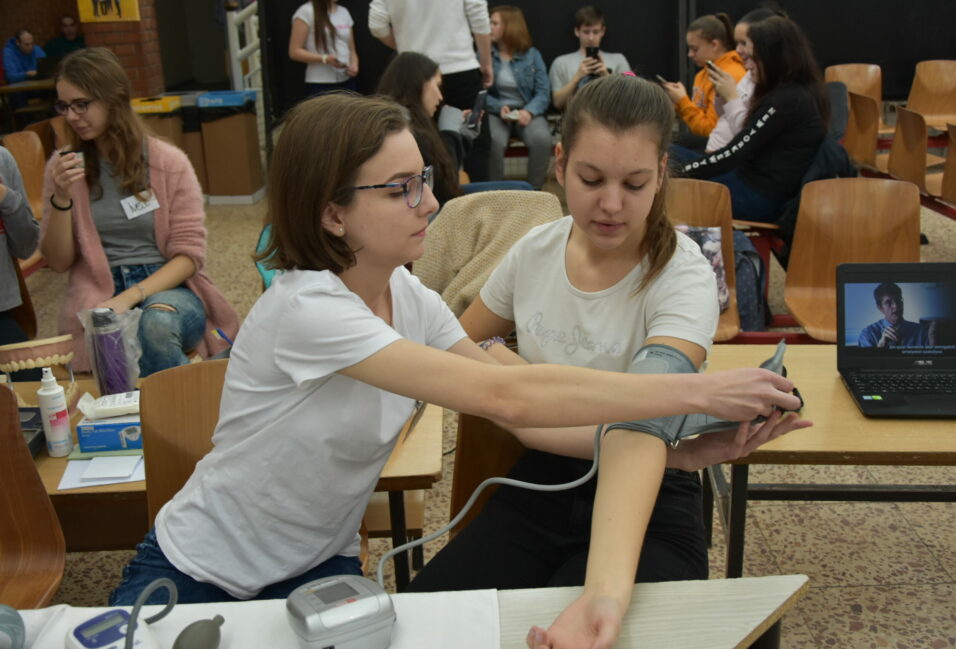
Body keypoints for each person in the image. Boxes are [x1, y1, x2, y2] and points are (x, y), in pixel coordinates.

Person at [107, 91, 801, 610]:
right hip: (201, 572)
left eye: (425, 181)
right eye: (402, 189)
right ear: (332, 212)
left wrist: (681, 452)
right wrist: (699, 391)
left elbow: (523, 407)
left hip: (316, 568)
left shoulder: (409, 299)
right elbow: (508, 394)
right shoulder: (307, 310)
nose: (431, 205)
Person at [405, 76, 811, 649]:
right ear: (561, 163)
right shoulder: (535, 251)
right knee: (421, 623)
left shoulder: (683, 275)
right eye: (591, 180)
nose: (612, 204)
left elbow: (640, 426)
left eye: (635, 183)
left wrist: (604, 594)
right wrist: (502, 370)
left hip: (652, 498)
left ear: (662, 173)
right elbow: (457, 354)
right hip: (541, 486)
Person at [40, 48, 238, 378]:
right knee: (109, 339)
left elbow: (189, 256)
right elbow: (58, 262)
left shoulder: (167, 162)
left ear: (114, 99)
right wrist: (61, 198)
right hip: (97, 290)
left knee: (155, 327)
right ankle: (149, 407)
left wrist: (130, 297)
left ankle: (184, 408)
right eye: (64, 106)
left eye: (81, 104)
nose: (72, 116)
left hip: (168, 287)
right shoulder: (64, 167)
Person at [680, 16, 828, 223]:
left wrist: (682, 173)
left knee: (674, 186)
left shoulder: (788, 100)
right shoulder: (788, 92)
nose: (746, 65)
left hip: (760, 197)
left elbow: (735, 151)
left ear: (773, 59)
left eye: (752, 58)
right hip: (748, 181)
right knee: (672, 156)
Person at [377, 51, 531, 210]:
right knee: (523, 192)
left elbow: (446, 176)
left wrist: (463, 137)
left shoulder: (404, 120)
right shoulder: (406, 131)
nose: (440, 97)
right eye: (437, 86)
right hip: (434, 209)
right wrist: (450, 134)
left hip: (437, 201)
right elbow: (446, 190)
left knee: (523, 189)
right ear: (419, 84)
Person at [369, 0, 494, 183]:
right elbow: (478, 13)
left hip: (412, 73)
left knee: (416, 141)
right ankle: (475, 200)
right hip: (459, 66)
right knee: (475, 141)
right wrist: (486, 62)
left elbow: (377, 25)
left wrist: (407, 46)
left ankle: (431, 195)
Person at [486, 6, 552, 190]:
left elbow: (543, 92)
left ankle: (533, 192)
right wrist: (498, 107)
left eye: (494, 23)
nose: (489, 27)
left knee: (542, 139)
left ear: (509, 27)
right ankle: (493, 194)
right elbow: (479, 93)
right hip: (497, 111)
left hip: (527, 109)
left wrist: (529, 112)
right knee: (493, 140)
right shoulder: (485, 55)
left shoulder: (532, 55)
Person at [703, 7, 781, 153]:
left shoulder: (774, 86)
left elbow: (748, 135)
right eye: (736, 43)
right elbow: (724, 116)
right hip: (716, 151)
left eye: (744, 43)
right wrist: (721, 95)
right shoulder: (750, 74)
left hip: (729, 158)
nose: (738, 50)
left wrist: (731, 96)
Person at [660, 13, 745, 141]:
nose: (690, 54)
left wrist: (683, 101)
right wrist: (678, 102)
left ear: (714, 45)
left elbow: (711, 130)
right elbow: (697, 122)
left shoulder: (729, 75)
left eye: (695, 49)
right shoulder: (703, 74)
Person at [0, 146, 41, 381]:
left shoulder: (2, 159)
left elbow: (26, 248)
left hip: (2, 312)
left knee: (31, 383)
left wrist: (7, 198)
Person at [549, 6, 631, 111]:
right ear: (577, 31)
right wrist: (578, 76)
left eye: (595, 32)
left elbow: (630, 97)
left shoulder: (618, 60)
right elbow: (557, 103)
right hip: (576, 116)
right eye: (586, 32)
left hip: (611, 116)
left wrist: (606, 75)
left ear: (602, 31)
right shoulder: (561, 62)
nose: (591, 38)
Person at [288, 0, 358, 96]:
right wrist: (325, 58)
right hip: (320, 83)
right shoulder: (306, 11)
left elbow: (351, 49)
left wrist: (354, 65)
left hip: (346, 80)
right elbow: (294, 51)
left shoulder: (344, 12)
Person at [859, 283, 931, 348]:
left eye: (898, 300)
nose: (895, 306)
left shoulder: (921, 332)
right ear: (880, 308)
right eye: (888, 302)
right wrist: (881, 347)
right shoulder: (868, 334)